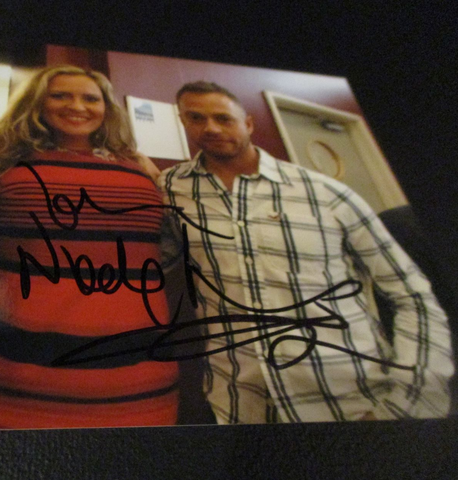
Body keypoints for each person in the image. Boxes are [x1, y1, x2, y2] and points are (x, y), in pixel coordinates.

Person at [158, 81, 454, 423]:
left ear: (248, 124)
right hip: (241, 403)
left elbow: (411, 294)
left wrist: (409, 400)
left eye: (223, 118)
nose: (210, 127)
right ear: (183, 121)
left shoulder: (326, 194)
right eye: (196, 117)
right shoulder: (171, 188)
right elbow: (158, 261)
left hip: (349, 402)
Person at [0, 65, 179, 429]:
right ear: (37, 102)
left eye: (90, 98)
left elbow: (166, 237)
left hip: (134, 358)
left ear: (106, 107)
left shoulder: (135, 161)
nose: (76, 106)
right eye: (60, 95)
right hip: (1, 361)